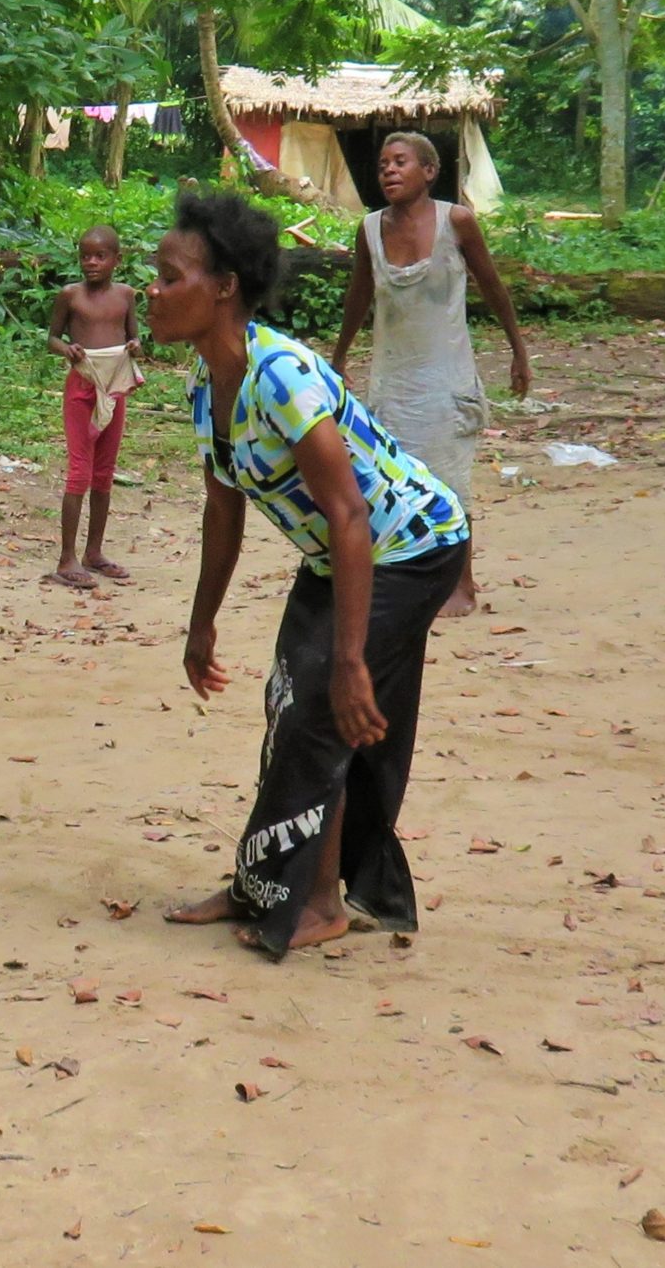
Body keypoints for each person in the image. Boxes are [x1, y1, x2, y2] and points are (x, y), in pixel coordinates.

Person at [150, 191, 469, 958]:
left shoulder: (281, 374)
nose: (152, 293)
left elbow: (351, 512)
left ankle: (322, 901)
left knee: (323, 708)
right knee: (290, 703)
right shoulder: (208, 387)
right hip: (342, 552)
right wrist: (202, 623)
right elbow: (221, 513)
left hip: (413, 544)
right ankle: (264, 881)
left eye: (169, 277)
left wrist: (352, 658)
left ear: (223, 286)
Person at [332, 131, 530, 616]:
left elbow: (493, 287)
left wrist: (518, 351)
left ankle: (462, 583)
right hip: (392, 380)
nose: (389, 171)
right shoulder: (371, 229)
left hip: (444, 381)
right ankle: (399, 577)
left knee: (449, 482)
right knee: (389, 481)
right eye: (382, 165)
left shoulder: (456, 222)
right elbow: (359, 295)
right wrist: (338, 357)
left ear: (430, 171)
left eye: (401, 162)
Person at [45, 223, 141, 589]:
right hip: (81, 388)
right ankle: (67, 557)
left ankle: (94, 552)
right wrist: (67, 349)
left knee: (104, 472)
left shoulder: (126, 295)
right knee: (79, 472)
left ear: (117, 259)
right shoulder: (70, 295)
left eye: (100, 256)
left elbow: (136, 338)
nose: (91, 262)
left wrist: (135, 347)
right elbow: (52, 337)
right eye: (85, 255)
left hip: (114, 387)